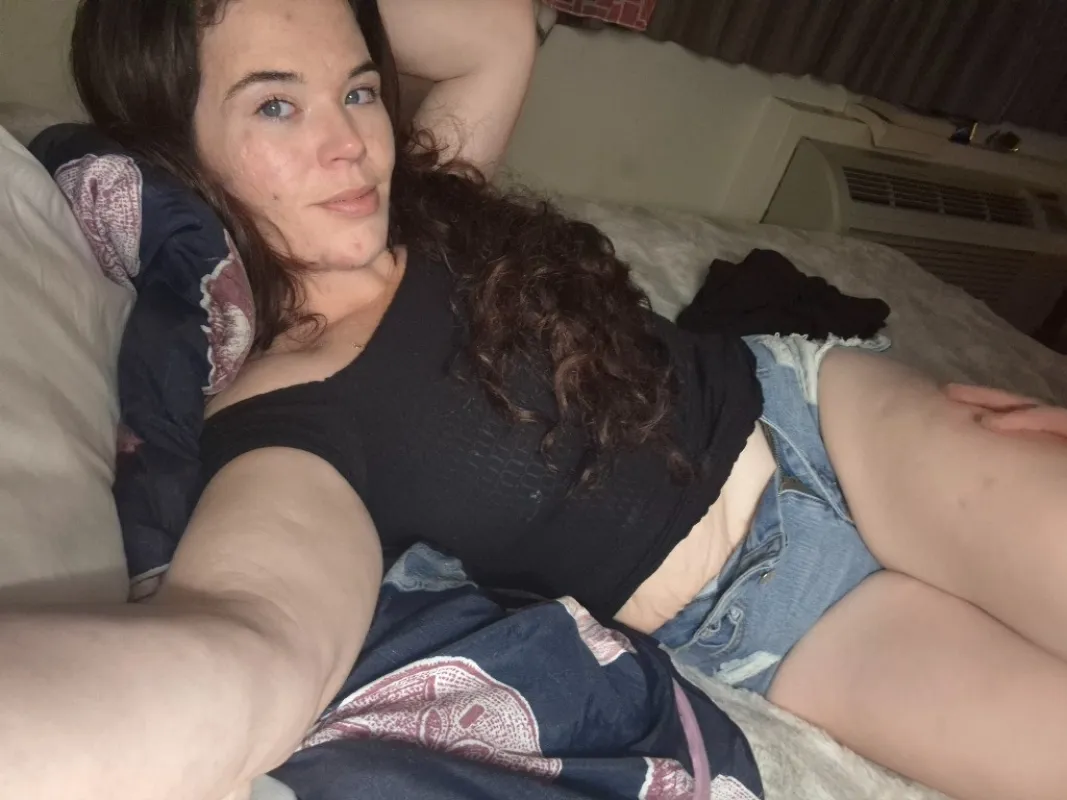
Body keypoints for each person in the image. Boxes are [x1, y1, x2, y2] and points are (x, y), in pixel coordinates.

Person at [6, 0, 1067, 799]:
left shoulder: (429, 196)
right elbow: (253, 643)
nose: (350, 143)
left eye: (359, 89)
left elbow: (494, 31)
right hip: (776, 624)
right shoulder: (281, 422)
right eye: (275, 103)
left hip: (820, 415)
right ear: (177, 153)